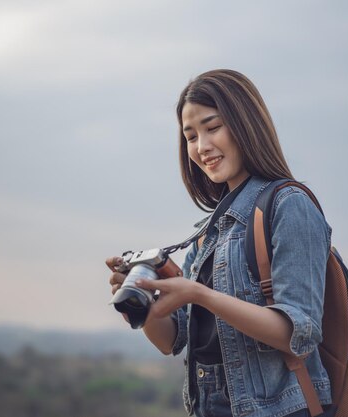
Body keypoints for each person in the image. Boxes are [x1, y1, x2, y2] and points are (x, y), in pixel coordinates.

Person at [106, 69, 333, 417]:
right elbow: (172, 340)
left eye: (213, 128)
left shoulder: (289, 205)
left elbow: (297, 332)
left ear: (245, 124)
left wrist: (200, 295)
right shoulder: (209, 230)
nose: (202, 147)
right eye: (191, 136)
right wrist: (144, 303)